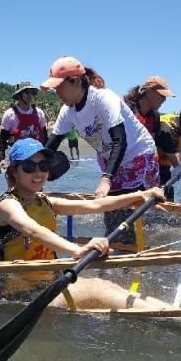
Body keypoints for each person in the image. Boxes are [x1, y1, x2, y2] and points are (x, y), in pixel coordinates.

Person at [0, 138, 169, 309]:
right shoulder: (8, 204)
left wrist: (138, 195)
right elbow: (33, 230)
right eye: (29, 167)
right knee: (97, 288)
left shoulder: (44, 201)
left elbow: (94, 204)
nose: (38, 172)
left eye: (43, 166)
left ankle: (174, 313)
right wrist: (76, 250)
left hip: (47, 282)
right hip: (17, 295)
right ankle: (174, 315)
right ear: (14, 171)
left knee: (109, 287)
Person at [42, 56, 159, 243]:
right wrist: (32, 176)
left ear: (77, 81)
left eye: (60, 87)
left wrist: (106, 179)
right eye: (55, 89)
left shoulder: (103, 98)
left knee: (127, 207)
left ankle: (133, 255)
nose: (58, 93)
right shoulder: (68, 111)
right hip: (110, 157)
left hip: (137, 153)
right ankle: (118, 250)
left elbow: (120, 140)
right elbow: (50, 148)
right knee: (111, 211)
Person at [0, 81, 48, 172]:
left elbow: (45, 136)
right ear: (19, 95)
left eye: (32, 92)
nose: (30, 95)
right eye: (26, 92)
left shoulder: (39, 113)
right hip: (18, 159)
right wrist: (1, 159)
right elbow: (2, 139)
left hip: (37, 157)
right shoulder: (9, 114)